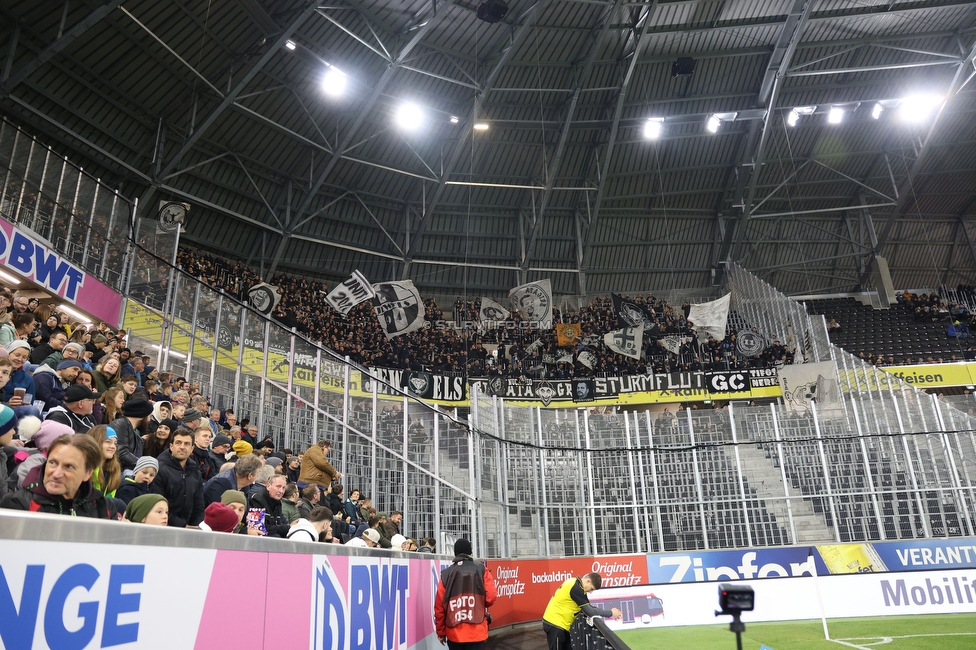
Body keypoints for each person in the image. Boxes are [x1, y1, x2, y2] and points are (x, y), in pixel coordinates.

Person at [0, 433, 114, 518]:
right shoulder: (17, 504)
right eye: (53, 463)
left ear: (88, 473)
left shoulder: (103, 506)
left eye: (69, 467)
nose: (56, 474)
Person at [434, 539, 497, 650]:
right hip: (477, 632)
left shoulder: (446, 574)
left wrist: (441, 631)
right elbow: (491, 597)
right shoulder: (482, 569)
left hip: (454, 633)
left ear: (455, 553)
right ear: (470, 553)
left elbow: (439, 607)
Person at [541, 573, 622, 650]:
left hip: (560, 625)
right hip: (555, 625)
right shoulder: (576, 588)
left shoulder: (574, 582)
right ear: (588, 581)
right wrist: (611, 613)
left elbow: (589, 607)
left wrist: (610, 612)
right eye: (591, 589)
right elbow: (590, 611)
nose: (590, 592)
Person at [150, 428, 205, 527]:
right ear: (171, 446)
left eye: (187, 444)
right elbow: (156, 505)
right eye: (178, 443)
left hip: (190, 529)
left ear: (192, 449)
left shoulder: (195, 471)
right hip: (164, 527)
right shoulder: (159, 469)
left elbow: (199, 506)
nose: (182, 447)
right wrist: (183, 525)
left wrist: (196, 526)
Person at [111, 397, 152, 471]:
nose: (150, 420)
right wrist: (144, 465)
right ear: (142, 416)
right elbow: (121, 452)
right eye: (150, 416)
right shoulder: (120, 424)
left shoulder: (133, 431)